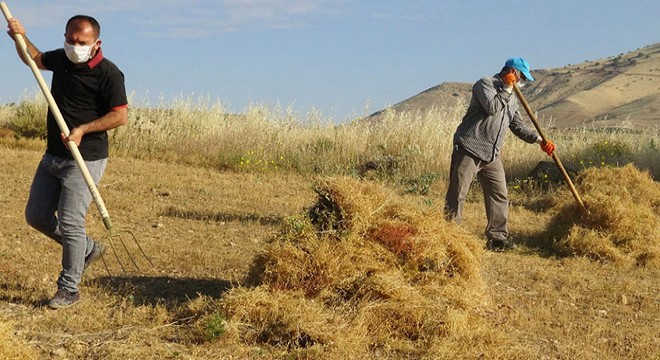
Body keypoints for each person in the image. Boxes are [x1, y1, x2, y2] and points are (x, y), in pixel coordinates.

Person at [7, 15, 128, 308]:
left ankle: (69, 288)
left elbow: (120, 115)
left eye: (82, 43)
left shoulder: (109, 74)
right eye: (70, 40)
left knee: (71, 221)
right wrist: (18, 37)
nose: (75, 47)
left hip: (85, 158)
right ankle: (86, 249)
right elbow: (34, 58)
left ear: (96, 43)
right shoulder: (61, 59)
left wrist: (83, 129)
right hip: (53, 154)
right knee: (36, 216)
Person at [444, 57, 555, 251]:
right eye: (522, 77)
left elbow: (518, 126)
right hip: (469, 147)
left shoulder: (512, 97)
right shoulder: (485, 84)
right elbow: (492, 107)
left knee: (499, 195)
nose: (523, 82)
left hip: (491, 154)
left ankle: (497, 239)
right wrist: (507, 88)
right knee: (458, 193)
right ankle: (449, 236)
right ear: (512, 71)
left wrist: (539, 141)